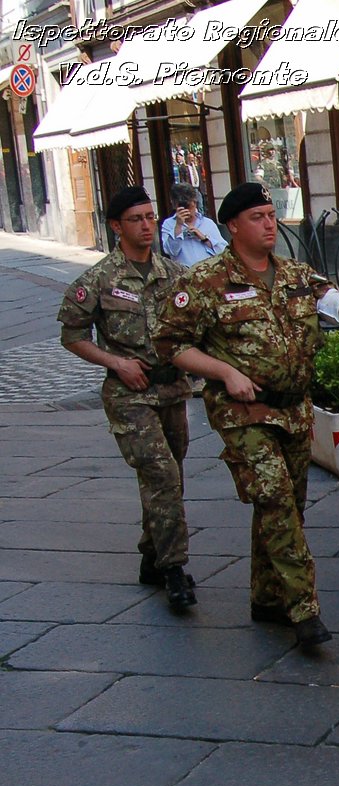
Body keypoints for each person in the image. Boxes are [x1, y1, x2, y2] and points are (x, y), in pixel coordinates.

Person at [155, 182, 339, 649]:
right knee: (275, 499)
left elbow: (336, 302)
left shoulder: (296, 274)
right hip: (243, 414)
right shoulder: (204, 281)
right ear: (232, 226)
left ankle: (266, 596)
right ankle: (304, 610)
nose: (270, 223)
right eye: (257, 216)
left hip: (293, 411)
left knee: (284, 507)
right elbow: (171, 343)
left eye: (272, 214)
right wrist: (222, 371)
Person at [59, 185, 194, 611]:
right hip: (129, 394)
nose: (147, 225)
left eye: (151, 217)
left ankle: (151, 555)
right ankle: (175, 570)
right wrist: (115, 363)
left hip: (172, 390)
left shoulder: (173, 274)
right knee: (162, 475)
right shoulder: (99, 279)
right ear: (117, 226)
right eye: (136, 219)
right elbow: (72, 335)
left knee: (170, 475)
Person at [161, 183, 227, 268]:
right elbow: (171, 251)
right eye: (183, 208)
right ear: (175, 205)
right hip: (184, 275)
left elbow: (223, 251)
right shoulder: (169, 224)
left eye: (190, 207)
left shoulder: (207, 223)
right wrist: (178, 226)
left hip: (209, 274)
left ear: (195, 203)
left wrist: (204, 239)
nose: (187, 212)